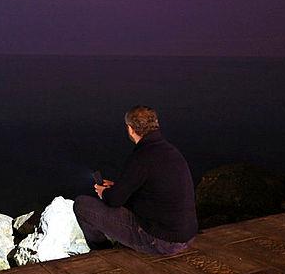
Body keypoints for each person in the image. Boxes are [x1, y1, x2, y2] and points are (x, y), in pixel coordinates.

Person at [73, 106, 198, 255]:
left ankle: (102, 251)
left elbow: (114, 200)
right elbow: (151, 189)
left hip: (162, 242)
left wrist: (104, 192)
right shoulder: (171, 152)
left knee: (82, 205)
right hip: (186, 236)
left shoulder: (142, 156)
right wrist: (117, 187)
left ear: (131, 129)